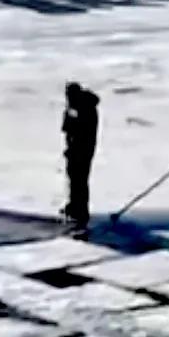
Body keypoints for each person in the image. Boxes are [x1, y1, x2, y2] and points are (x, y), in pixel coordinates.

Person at [62, 81, 99, 235]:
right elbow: (66, 129)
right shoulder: (75, 108)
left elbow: (81, 130)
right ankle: (74, 205)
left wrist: (71, 120)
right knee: (74, 177)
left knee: (80, 179)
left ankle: (81, 210)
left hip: (83, 149)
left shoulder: (86, 109)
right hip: (76, 148)